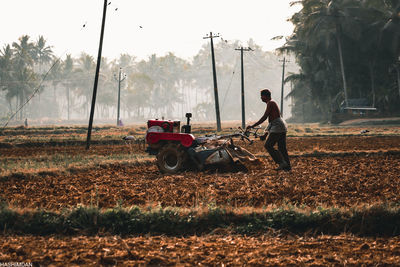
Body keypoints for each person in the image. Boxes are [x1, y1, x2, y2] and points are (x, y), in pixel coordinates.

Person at [246, 89, 291, 171]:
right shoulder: (271, 103)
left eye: (261, 96)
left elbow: (265, 117)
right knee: (282, 148)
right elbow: (271, 121)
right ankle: (287, 167)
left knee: (268, 145)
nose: (261, 98)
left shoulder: (270, 103)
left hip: (277, 126)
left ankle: (281, 162)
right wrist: (265, 134)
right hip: (280, 126)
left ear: (265, 96)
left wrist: (252, 126)